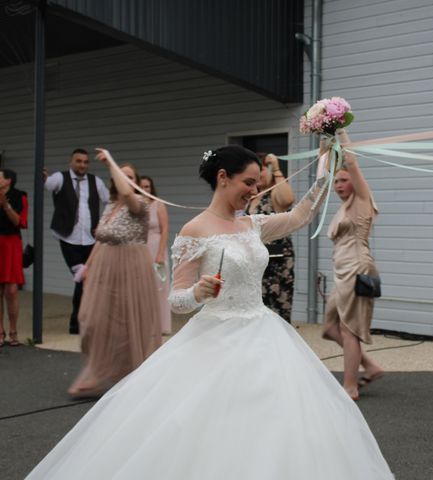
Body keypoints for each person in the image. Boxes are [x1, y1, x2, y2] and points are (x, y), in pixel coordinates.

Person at [26, 144, 394, 479]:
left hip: (264, 334)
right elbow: (176, 300)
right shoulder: (195, 229)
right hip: (214, 338)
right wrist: (198, 293)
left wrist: (326, 164)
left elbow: (301, 215)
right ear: (223, 178)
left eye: (256, 182)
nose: (254, 190)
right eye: (248, 183)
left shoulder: (252, 224)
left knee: (274, 425)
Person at [67, 152, 161, 398]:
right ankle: (97, 371)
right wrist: (88, 266)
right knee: (91, 320)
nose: (125, 179)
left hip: (131, 268)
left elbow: (128, 193)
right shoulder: (110, 204)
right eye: (122, 175)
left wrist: (110, 163)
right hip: (106, 267)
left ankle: (128, 375)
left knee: (129, 324)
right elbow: (101, 239)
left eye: (130, 176)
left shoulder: (139, 203)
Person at [321, 129, 385, 401]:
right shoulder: (343, 206)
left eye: (344, 180)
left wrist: (340, 131)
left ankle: (350, 386)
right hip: (341, 271)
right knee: (329, 328)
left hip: (357, 269)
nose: (338, 184)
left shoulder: (361, 201)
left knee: (348, 329)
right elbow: (326, 162)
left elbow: (352, 163)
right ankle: (369, 365)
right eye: (336, 181)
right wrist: (324, 137)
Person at [44, 148, 110, 334]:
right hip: (68, 239)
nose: (82, 165)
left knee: (85, 281)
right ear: (71, 162)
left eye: (85, 162)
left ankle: (79, 323)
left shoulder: (95, 182)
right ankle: (79, 323)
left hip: (90, 240)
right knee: (83, 278)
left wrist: (103, 225)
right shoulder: (60, 178)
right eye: (78, 161)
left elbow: (110, 202)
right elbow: (47, 185)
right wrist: (43, 177)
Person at [245, 153, 296, 322]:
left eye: (262, 171)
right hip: (255, 262)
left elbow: (288, 199)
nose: (259, 176)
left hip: (276, 265)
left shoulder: (274, 194)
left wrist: (276, 168)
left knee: (275, 312)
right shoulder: (251, 198)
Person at [140, 175, 172, 335]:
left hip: (156, 248)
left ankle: (161, 325)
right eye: (142, 186)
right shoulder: (136, 206)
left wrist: (160, 253)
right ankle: (145, 323)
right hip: (140, 249)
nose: (145, 190)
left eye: (147, 187)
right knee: (143, 288)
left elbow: (165, 229)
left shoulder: (158, 205)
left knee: (159, 287)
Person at [0, 169, 26, 347]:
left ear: (8, 180)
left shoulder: (20, 196)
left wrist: (5, 205)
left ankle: (14, 331)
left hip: (11, 243)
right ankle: (0, 331)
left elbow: (20, 222)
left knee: (11, 290)